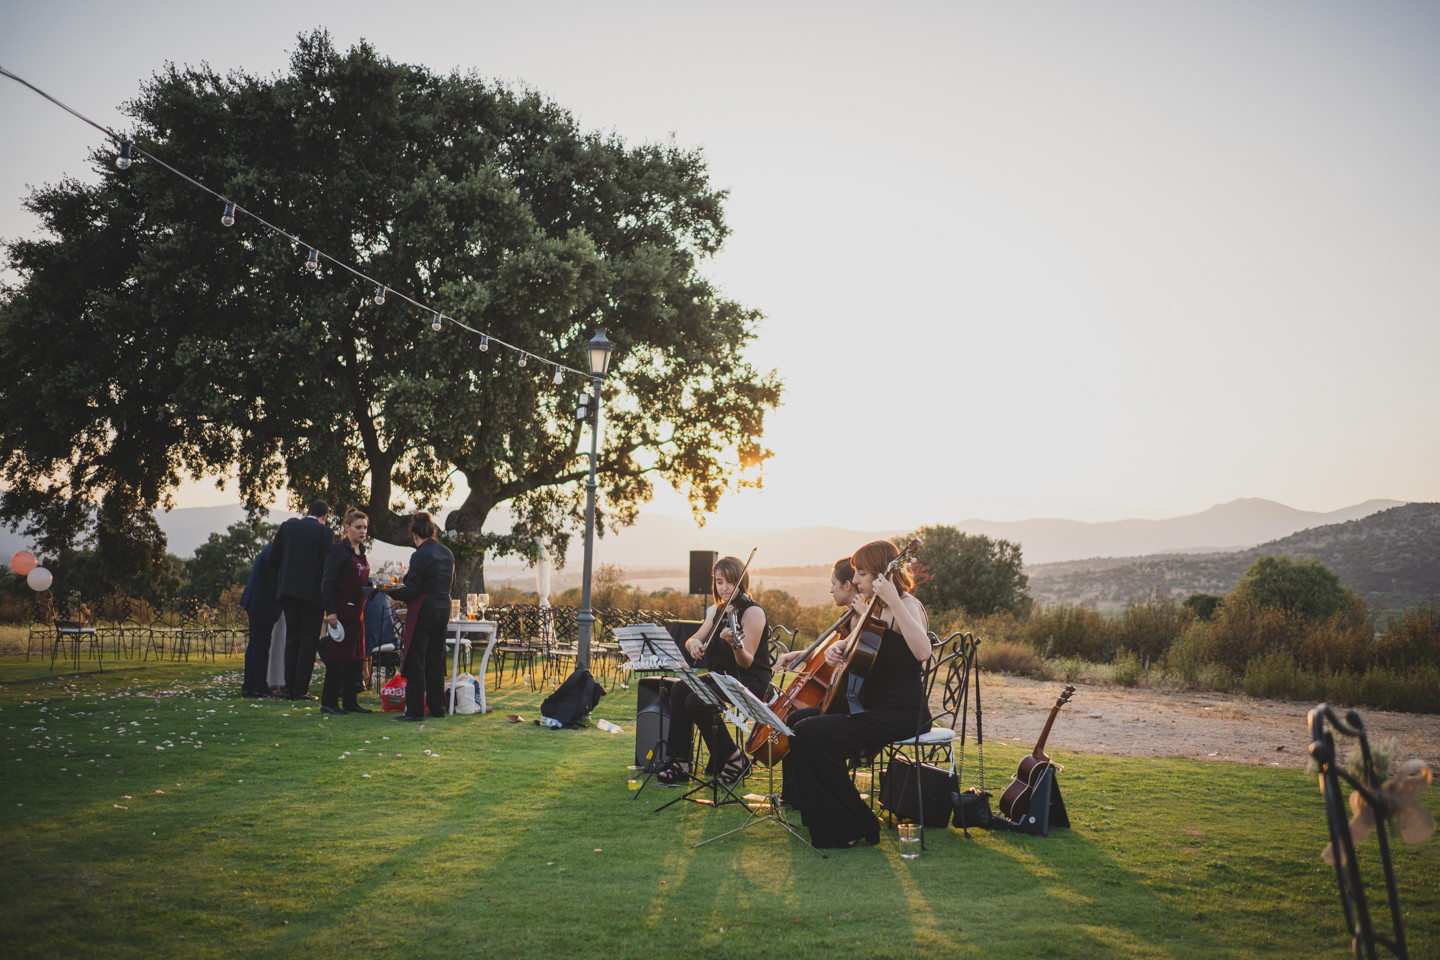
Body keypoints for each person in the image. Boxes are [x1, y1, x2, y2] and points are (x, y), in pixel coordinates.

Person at [784, 540, 933, 848]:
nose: (855, 580)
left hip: (901, 713)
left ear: (882, 574)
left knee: (811, 733)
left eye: (862, 573)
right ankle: (825, 817)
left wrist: (893, 600)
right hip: (870, 708)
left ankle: (858, 822)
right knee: (797, 724)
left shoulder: (907, 605)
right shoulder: (873, 608)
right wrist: (836, 650)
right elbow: (850, 642)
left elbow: (923, 652)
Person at [656, 555, 772, 787]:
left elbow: (747, 662)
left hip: (749, 682)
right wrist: (693, 644)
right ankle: (681, 763)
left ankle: (735, 759)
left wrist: (735, 644)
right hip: (722, 678)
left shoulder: (752, 612)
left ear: (741, 581)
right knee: (679, 689)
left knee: (697, 701)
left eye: (730, 582)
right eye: (719, 582)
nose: (724, 588)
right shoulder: (718, 611)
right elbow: (693, 639)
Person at [385, 512, 455, 722]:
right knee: (436, 659)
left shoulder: (420, 555)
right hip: (444, 607)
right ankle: (437, 708)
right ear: (433, 532)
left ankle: (415, 711)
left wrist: (391, 592)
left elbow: (412, 589)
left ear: (415, 536)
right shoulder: (447, 553)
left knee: (416, 659)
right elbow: (450, 582)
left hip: (424, 608)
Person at [268, 499, 335, 701]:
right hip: (313, 594)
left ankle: (289, 687)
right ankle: (300, 688)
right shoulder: (325, 533)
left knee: (292, 638)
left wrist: (287, 576)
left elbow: (273, 559)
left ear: (308, 512)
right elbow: (328, 565)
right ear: (324, 516)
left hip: (288, 592)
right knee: (308, 640)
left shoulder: (287, 527)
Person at [319, 508, 376, 715]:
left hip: (358, 613)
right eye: (358, 527)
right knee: (337, 659)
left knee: (356, 658)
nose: (362, 531)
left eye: (365, 528)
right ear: (346, 528)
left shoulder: (362, 552)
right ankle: (329, 702)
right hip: (341, 612)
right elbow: (328, 582)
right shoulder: (338, 551)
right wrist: (331, 612)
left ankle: (351, 702)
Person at [238, 538, 282, 698]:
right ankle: (259, 686)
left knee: (255, 645)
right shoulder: (275, 553)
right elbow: (275, 582)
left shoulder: (271, 549)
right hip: (262, 604)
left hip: (256, 602)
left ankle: (249, 685)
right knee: (260, 646)